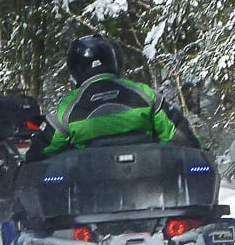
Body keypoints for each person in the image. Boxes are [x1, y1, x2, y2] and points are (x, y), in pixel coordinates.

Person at [39, 34, 198, 156]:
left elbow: (43, 149)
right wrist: (198, 154)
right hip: (151, 183)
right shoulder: (144, 93)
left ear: (75, 68)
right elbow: (179, 135)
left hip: (90, 192)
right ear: (113, 60)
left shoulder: (67, 108)